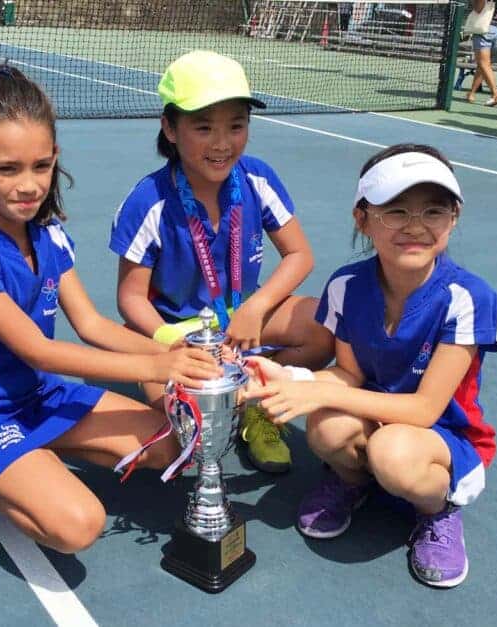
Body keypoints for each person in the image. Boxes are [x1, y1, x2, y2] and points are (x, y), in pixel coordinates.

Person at [0, 63, 223, 561]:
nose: (29, 185)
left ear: (55, 158)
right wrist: (158, 367)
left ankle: (26, 460)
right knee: (79, 526)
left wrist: (181, 351)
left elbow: (92, 324)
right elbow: (37, 350)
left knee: (169, 444)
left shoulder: (49, 235)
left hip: (37, 395)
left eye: (40, 166)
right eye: (7, 169)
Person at [244, 144, 497, 588]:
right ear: (363, 219)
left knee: (393, 451)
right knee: (326, 427)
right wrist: (289, 380)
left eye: (433, 211)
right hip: (375, 418)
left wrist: (317, 391)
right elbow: (348, 375)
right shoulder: (347, 286)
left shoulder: (468, 298)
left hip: (439, 434)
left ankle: (438, 509)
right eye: (395, 211)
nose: (415, 226)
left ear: (453, 218)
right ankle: (355, 482)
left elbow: (424, 410)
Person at [109, 50, 333, 474]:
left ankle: (256, 406)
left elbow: (300, 254)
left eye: (236, 125)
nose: (222, 143)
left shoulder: (257, 178)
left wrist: (255, 308)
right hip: (174, 330)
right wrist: (171, 342)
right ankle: (226, 394)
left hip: (241, 319)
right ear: (170, 128)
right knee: (182, 431)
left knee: (323, 326)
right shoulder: (148, 201)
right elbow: (131, 298)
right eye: (203, 127)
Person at [465, 0, 497, 106]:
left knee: (484, 64)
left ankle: (496, 93)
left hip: (485, 27)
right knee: (483, 65)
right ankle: (471, 93)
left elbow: (478, 8)